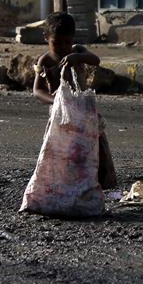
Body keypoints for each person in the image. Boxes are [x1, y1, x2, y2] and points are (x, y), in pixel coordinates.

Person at [33, 12, 118, 189]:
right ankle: (61, 181)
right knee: (60, 148)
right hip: (60, 113)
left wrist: (78, 58)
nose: (63, 47)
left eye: (67, 42)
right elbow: (37, 90)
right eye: (57, 43)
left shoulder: (77, 51)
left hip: (83, 109)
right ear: (46, 38)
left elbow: (96, 60)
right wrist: (54, 100)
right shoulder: (46, 61)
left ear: (73, 39)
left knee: (95, 140)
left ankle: (103, 178)